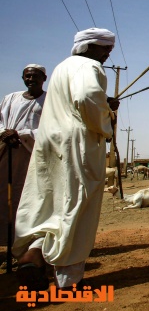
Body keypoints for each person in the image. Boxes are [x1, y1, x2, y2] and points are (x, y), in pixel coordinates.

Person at [12, 28, 120, 291]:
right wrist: (106, 116)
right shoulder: (90, 67)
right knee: (76, 205)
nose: (107, 53)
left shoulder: (62, 67)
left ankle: (34, 253)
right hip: (76, 145)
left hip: (49, 142)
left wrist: (102, 103)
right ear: (89, 47)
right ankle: (69, 281)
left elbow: (76, 99)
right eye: (104, 48)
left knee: (50, 203)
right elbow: (84, 99)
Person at [1, 65, 48, 249]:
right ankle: (6, 242)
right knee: (5, 197)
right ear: (23, 78)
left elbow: (52, 127)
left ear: (44, 78)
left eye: (35, 76)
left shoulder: (50, 100)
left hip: (34, 154)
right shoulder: (10, 99)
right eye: (27, 76)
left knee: (29, 198)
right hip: (7, 153)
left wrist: (23, 134)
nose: (31, 79)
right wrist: (5, 133)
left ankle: (26, 245)